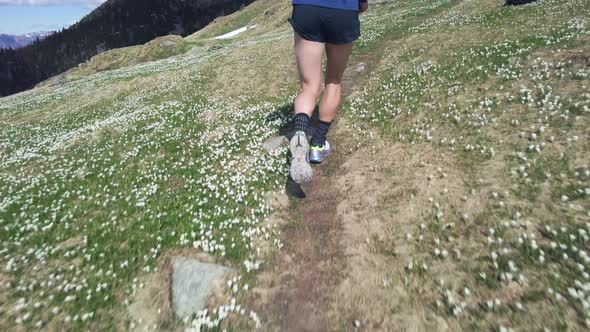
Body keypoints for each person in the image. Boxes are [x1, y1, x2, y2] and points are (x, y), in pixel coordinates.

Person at [287, 0, 369, 184]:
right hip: (344, 10)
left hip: (307, 8)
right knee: (333, 80)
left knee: (309, 87)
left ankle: (299, 133)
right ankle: (317, 144)